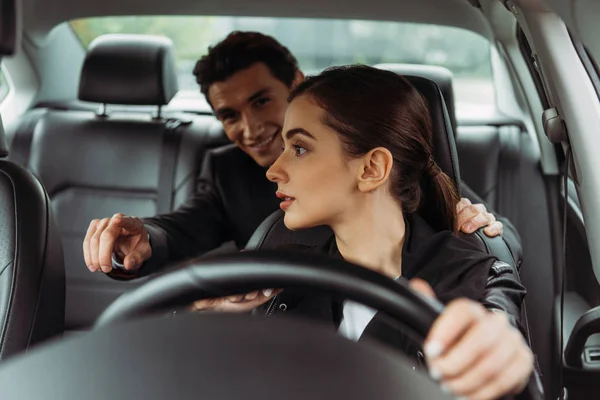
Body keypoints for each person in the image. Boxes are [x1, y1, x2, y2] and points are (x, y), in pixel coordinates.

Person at [190, 65, 538, 400]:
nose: (274, 170)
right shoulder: (281, 274)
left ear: (372, 168)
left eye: (299, 148)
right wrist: (206, 320)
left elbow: (498, 329)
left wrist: (500, 355)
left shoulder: (474, 278)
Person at [83, 31, 522, 280]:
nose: (250, 130)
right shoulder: (225, 171)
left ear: (297, 83)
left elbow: (491, 233)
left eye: (260, 102)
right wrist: (141, 240)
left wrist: (481, 226)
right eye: (229, 115)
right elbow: (180, 230)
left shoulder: (386, 166)